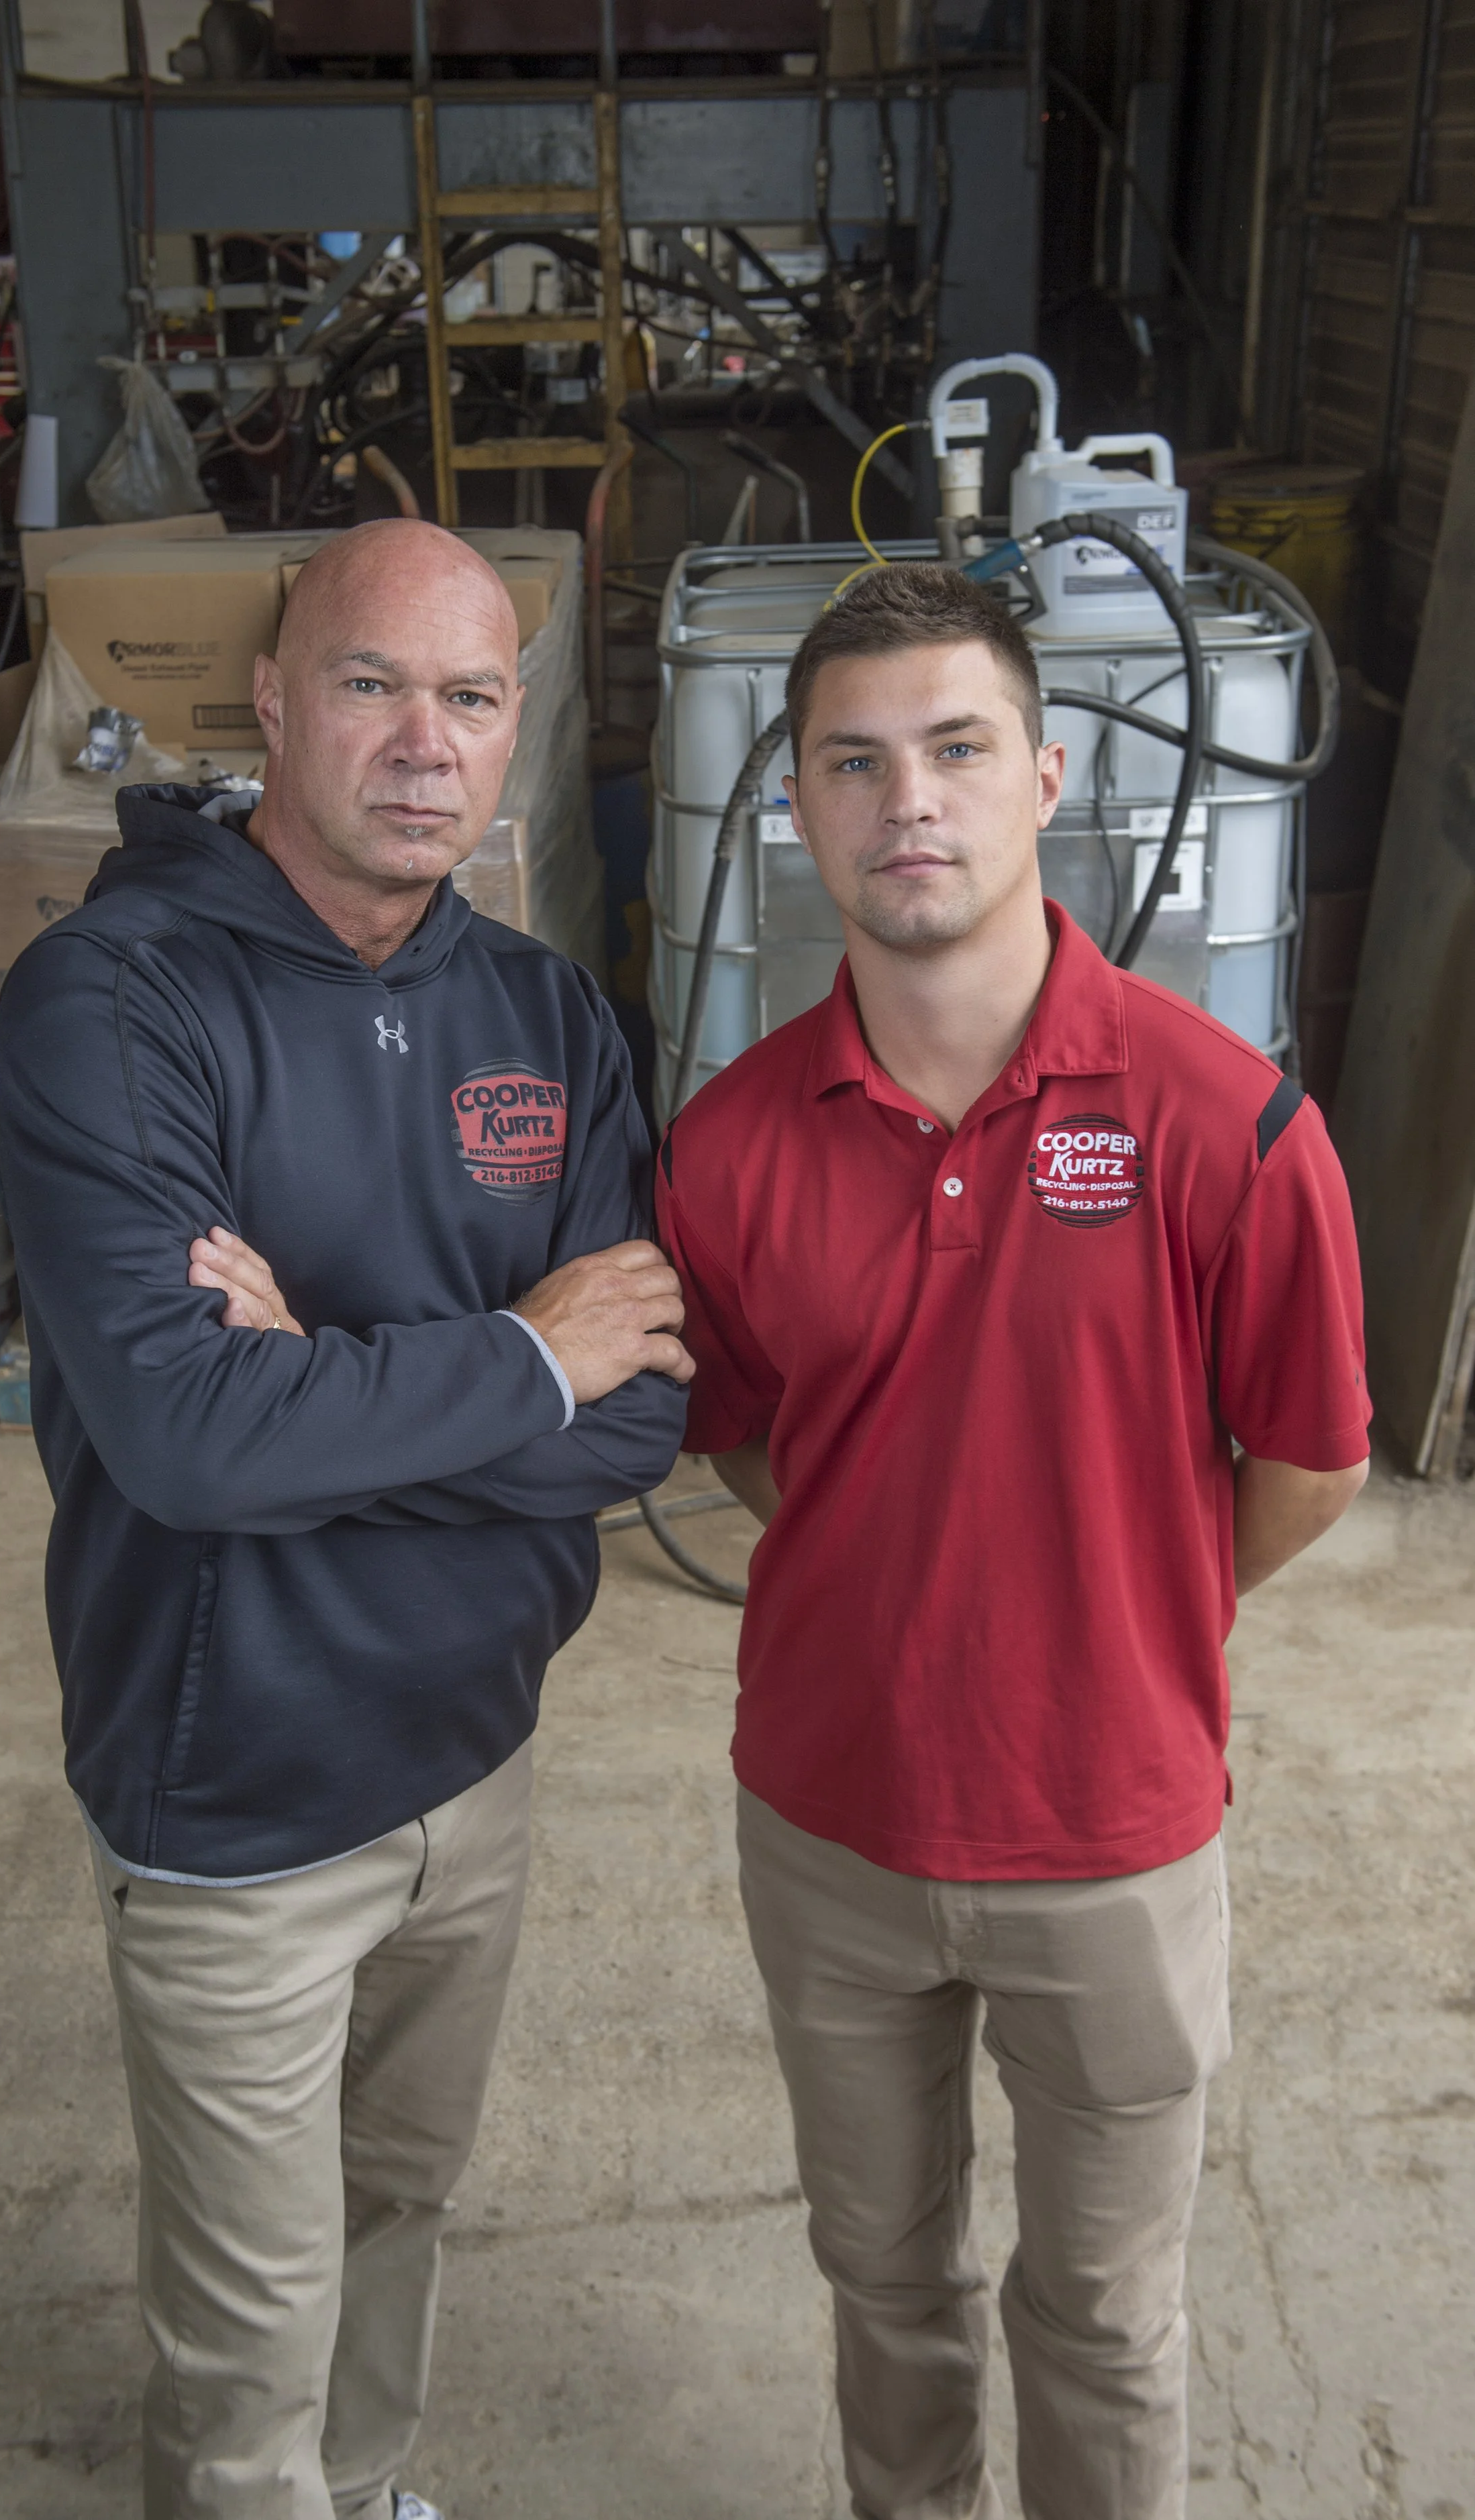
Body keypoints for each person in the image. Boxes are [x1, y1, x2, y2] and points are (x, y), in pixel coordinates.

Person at [653, 563, 1370, 2520]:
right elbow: (742, 1441)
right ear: (793, 806)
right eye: (855, 761)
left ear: (1046, 774)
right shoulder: (722, 1151)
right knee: (882, 2278)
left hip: (1115, 1845)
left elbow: (1305, 1461)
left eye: (957, 748)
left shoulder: (1227, 1126)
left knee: (1104, 2308)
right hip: (828, 1828)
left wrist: (1113, 1607)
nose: (911, 803)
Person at [0, 519, 691, 2520]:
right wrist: (518, 1355)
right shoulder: (116, 1001)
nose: (423, 741)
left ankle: (372, 2487)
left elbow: (640, 1423)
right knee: (247, 2333)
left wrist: (363, 1371)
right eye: (372, 685)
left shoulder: (547, 1015)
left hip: (476, 1761)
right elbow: (193, 1443)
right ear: (276, 707)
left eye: (471, 698)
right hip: (236, 1795)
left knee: (397, 2203)